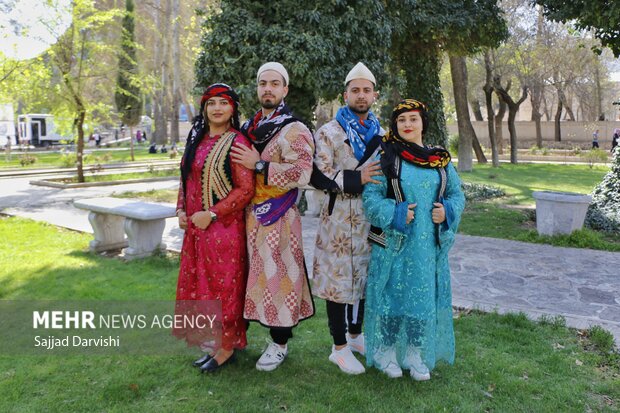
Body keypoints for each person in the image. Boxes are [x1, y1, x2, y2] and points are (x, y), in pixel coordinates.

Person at [362, 99, 465, 380]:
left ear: (423, 123)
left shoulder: (439, 161)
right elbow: (370, 199)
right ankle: (385, 351)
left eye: (413, 119)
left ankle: (415, 354)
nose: (407, 124)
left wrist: (447, 212)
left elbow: (458, 195)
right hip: (394, 244)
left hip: (426, 247)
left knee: (421, 299)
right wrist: (395, 212)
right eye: (401, 120)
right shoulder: (386, 157)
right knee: (392, 297)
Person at [231, 62, 315, 372]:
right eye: (262, 83)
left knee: (279, 278)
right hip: (248, 217)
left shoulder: (295, 129)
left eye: (274, 83)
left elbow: (303, 173)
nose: (268, 88)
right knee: (253, 277)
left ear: (284, 90)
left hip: (279, 217)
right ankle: (235, 337)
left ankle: (279, 344)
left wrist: (260, 166)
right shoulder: (248, 128)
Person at [174, 83, 255, 373]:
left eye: (223, 102)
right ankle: (215, 342)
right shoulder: (197, 140)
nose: (217, 108)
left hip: (224, 230)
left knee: (224, 289)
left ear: (233, 109)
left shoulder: (237, 143)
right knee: (203, 288)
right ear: (204, 109)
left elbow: (246, 189)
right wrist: (181, 210)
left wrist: (212, 213)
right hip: (196, 229)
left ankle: (226, 347)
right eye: (211, 103)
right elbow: (187, 179)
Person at [311, 62, 383, 375]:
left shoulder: (383, 133)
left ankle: (356, 336)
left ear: (375, 95)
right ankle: (338, 348)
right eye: (355, 90)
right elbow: (316, 175)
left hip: (370, 219)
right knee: (336, 283)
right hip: (337, 220)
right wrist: (357, 178)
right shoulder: (327, 132)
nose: (361, 95)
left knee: (365, 280)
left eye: (366, 90)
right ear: (346, 94)